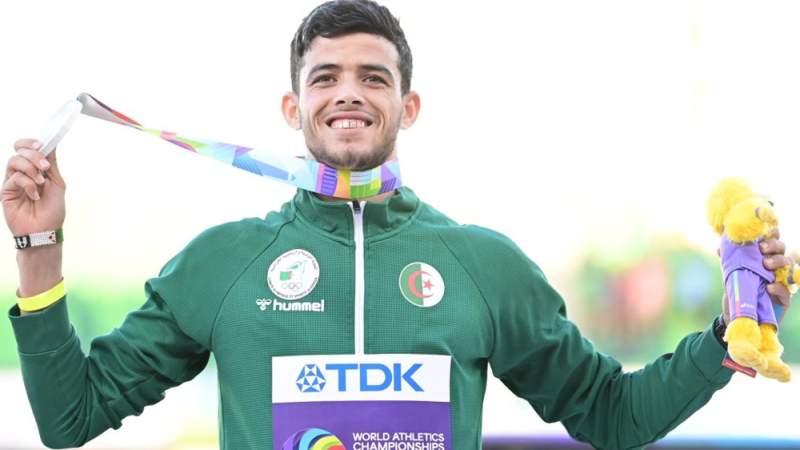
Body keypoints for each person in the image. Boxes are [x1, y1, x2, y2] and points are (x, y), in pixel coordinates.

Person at [3, 1, 793, 449]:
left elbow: (614, 419)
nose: (349, 93)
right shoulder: (223, 264)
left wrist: (727, 337)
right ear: (294, 107)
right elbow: (70, 419)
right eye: (326, 78)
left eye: (372, 77)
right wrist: (40, 249)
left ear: (406, 106)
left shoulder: (483, 266)